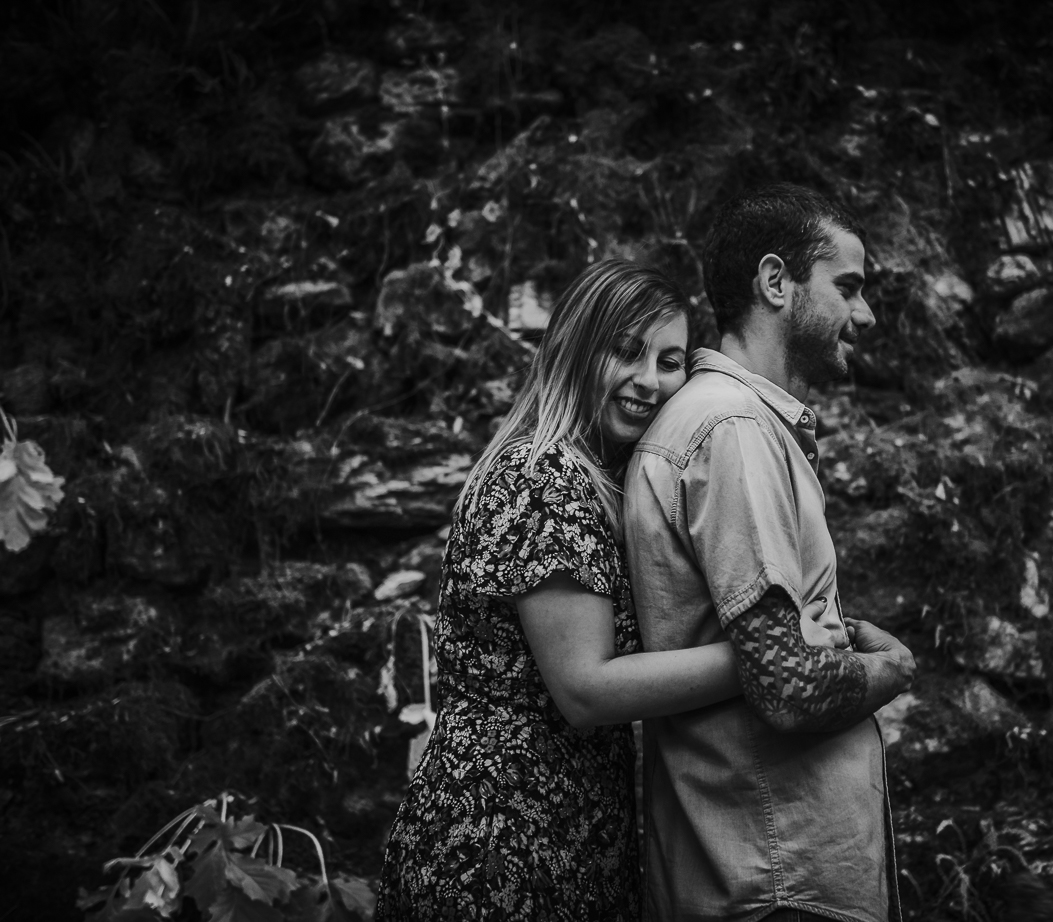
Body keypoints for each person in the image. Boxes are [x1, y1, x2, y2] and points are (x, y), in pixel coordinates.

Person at [374, 257, 832, 922]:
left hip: (562, 836)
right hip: (501, 847)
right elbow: (586, 689)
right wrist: (773, 657)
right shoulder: (547, 479)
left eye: (670, 361)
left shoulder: (594, 478)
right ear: (575, 352)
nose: (650, 380)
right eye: (627, 352)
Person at [625, 184, 918, 922]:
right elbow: (785, 685)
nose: (865, 314)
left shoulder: (742, 425)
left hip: (770, 875)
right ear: (775, 282)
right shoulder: (731, 430)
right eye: (847, 287)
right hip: (773, 885)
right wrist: (888, 671)